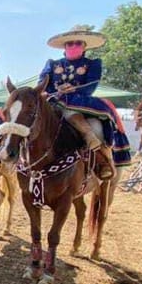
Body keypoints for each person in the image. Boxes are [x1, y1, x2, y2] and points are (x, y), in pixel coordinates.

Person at [39, 25, 132, 178]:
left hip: (80, 103)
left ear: (84, 46)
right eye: (70, 43)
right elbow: (42, 84)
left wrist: (72, 90)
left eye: (78, 43)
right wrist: (51, 92)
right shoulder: (52, 64)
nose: (73, 46)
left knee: (96, 129)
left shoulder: (93, 64)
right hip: (53, 101)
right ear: (64, 46)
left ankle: (103, 161)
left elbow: (90, 86)